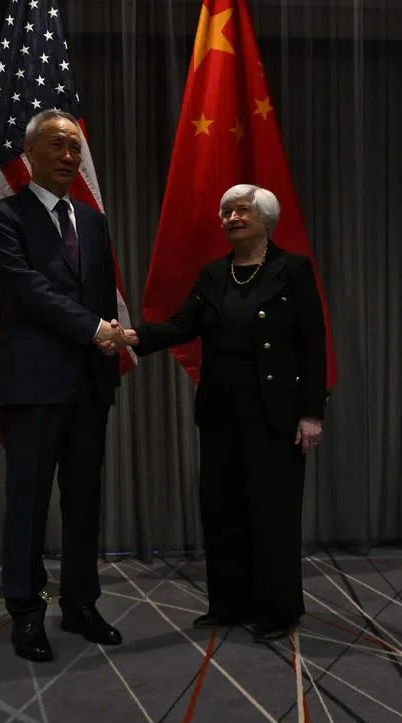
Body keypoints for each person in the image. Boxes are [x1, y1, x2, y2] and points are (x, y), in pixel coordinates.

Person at [118, 184, 327, 641]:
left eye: (241, 211)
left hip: (273, 413)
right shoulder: (213, 275)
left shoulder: (291, 270)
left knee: (272, 512)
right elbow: (180, 325)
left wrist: (312, 413)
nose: (232, 218)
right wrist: (133, 337)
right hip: (220, 412)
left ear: (265, 219)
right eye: (226, 212)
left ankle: (278, 609)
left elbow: (313, 345)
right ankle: (229, 604)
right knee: (223, 509)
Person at [0, 109, 126, 662]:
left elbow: (101, 292)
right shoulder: (2, 216)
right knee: (29, 503)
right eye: (58, 146)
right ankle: (25, 610)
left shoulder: (92, 221)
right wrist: (94, 330)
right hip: (34, 384)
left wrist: (108, 342)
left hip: (89, 386)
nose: (69, 156)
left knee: (84, 501)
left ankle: (81, 603)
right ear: (30, 155)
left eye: (75, 148)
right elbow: (24, 291)